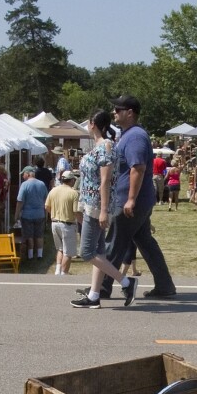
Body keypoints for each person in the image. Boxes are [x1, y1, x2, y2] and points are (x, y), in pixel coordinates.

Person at [98, 94, 176, 302]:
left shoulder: (135, 137)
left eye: (118, 110)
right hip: (135, 201)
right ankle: (165, 285)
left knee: (114, 242)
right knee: (145, 242)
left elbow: (138, 168)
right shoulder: (127, 134)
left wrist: (131, 199)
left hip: (130, 202)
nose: (114, 113)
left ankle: (102, 287)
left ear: (130, 113)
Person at [71, 110, 133, 309]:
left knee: (87, 252)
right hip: (92, 203)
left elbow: (105, 180)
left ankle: (126, 282)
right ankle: (94, 295)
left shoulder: (106, 146)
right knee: (99, 252)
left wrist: (104, 210)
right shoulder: (100, 146)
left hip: (97, 205)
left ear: (93, 124)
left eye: (89, 122)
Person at [45, 169, 80, 276]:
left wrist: (54, 213)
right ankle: (64, 273)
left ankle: (57, 270)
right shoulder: (73, 193)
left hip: (54, 222)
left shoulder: (53, 190)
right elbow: (75, 211)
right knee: (68, 252)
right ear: (72, 180)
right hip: (67, 224)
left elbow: (46, 206)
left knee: (60, 248)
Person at [16, 166, 47, 261]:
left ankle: (30, 255)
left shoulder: (24, 185)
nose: (23, 176)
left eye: (23, 174)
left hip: (27, 214)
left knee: (29, 236)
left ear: (28, 174)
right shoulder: (42, 184)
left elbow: (20, 201)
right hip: (40, 213)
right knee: (39, 235)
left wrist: (16, 214)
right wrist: (46, 213)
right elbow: (46, 199)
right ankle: (40, 255)